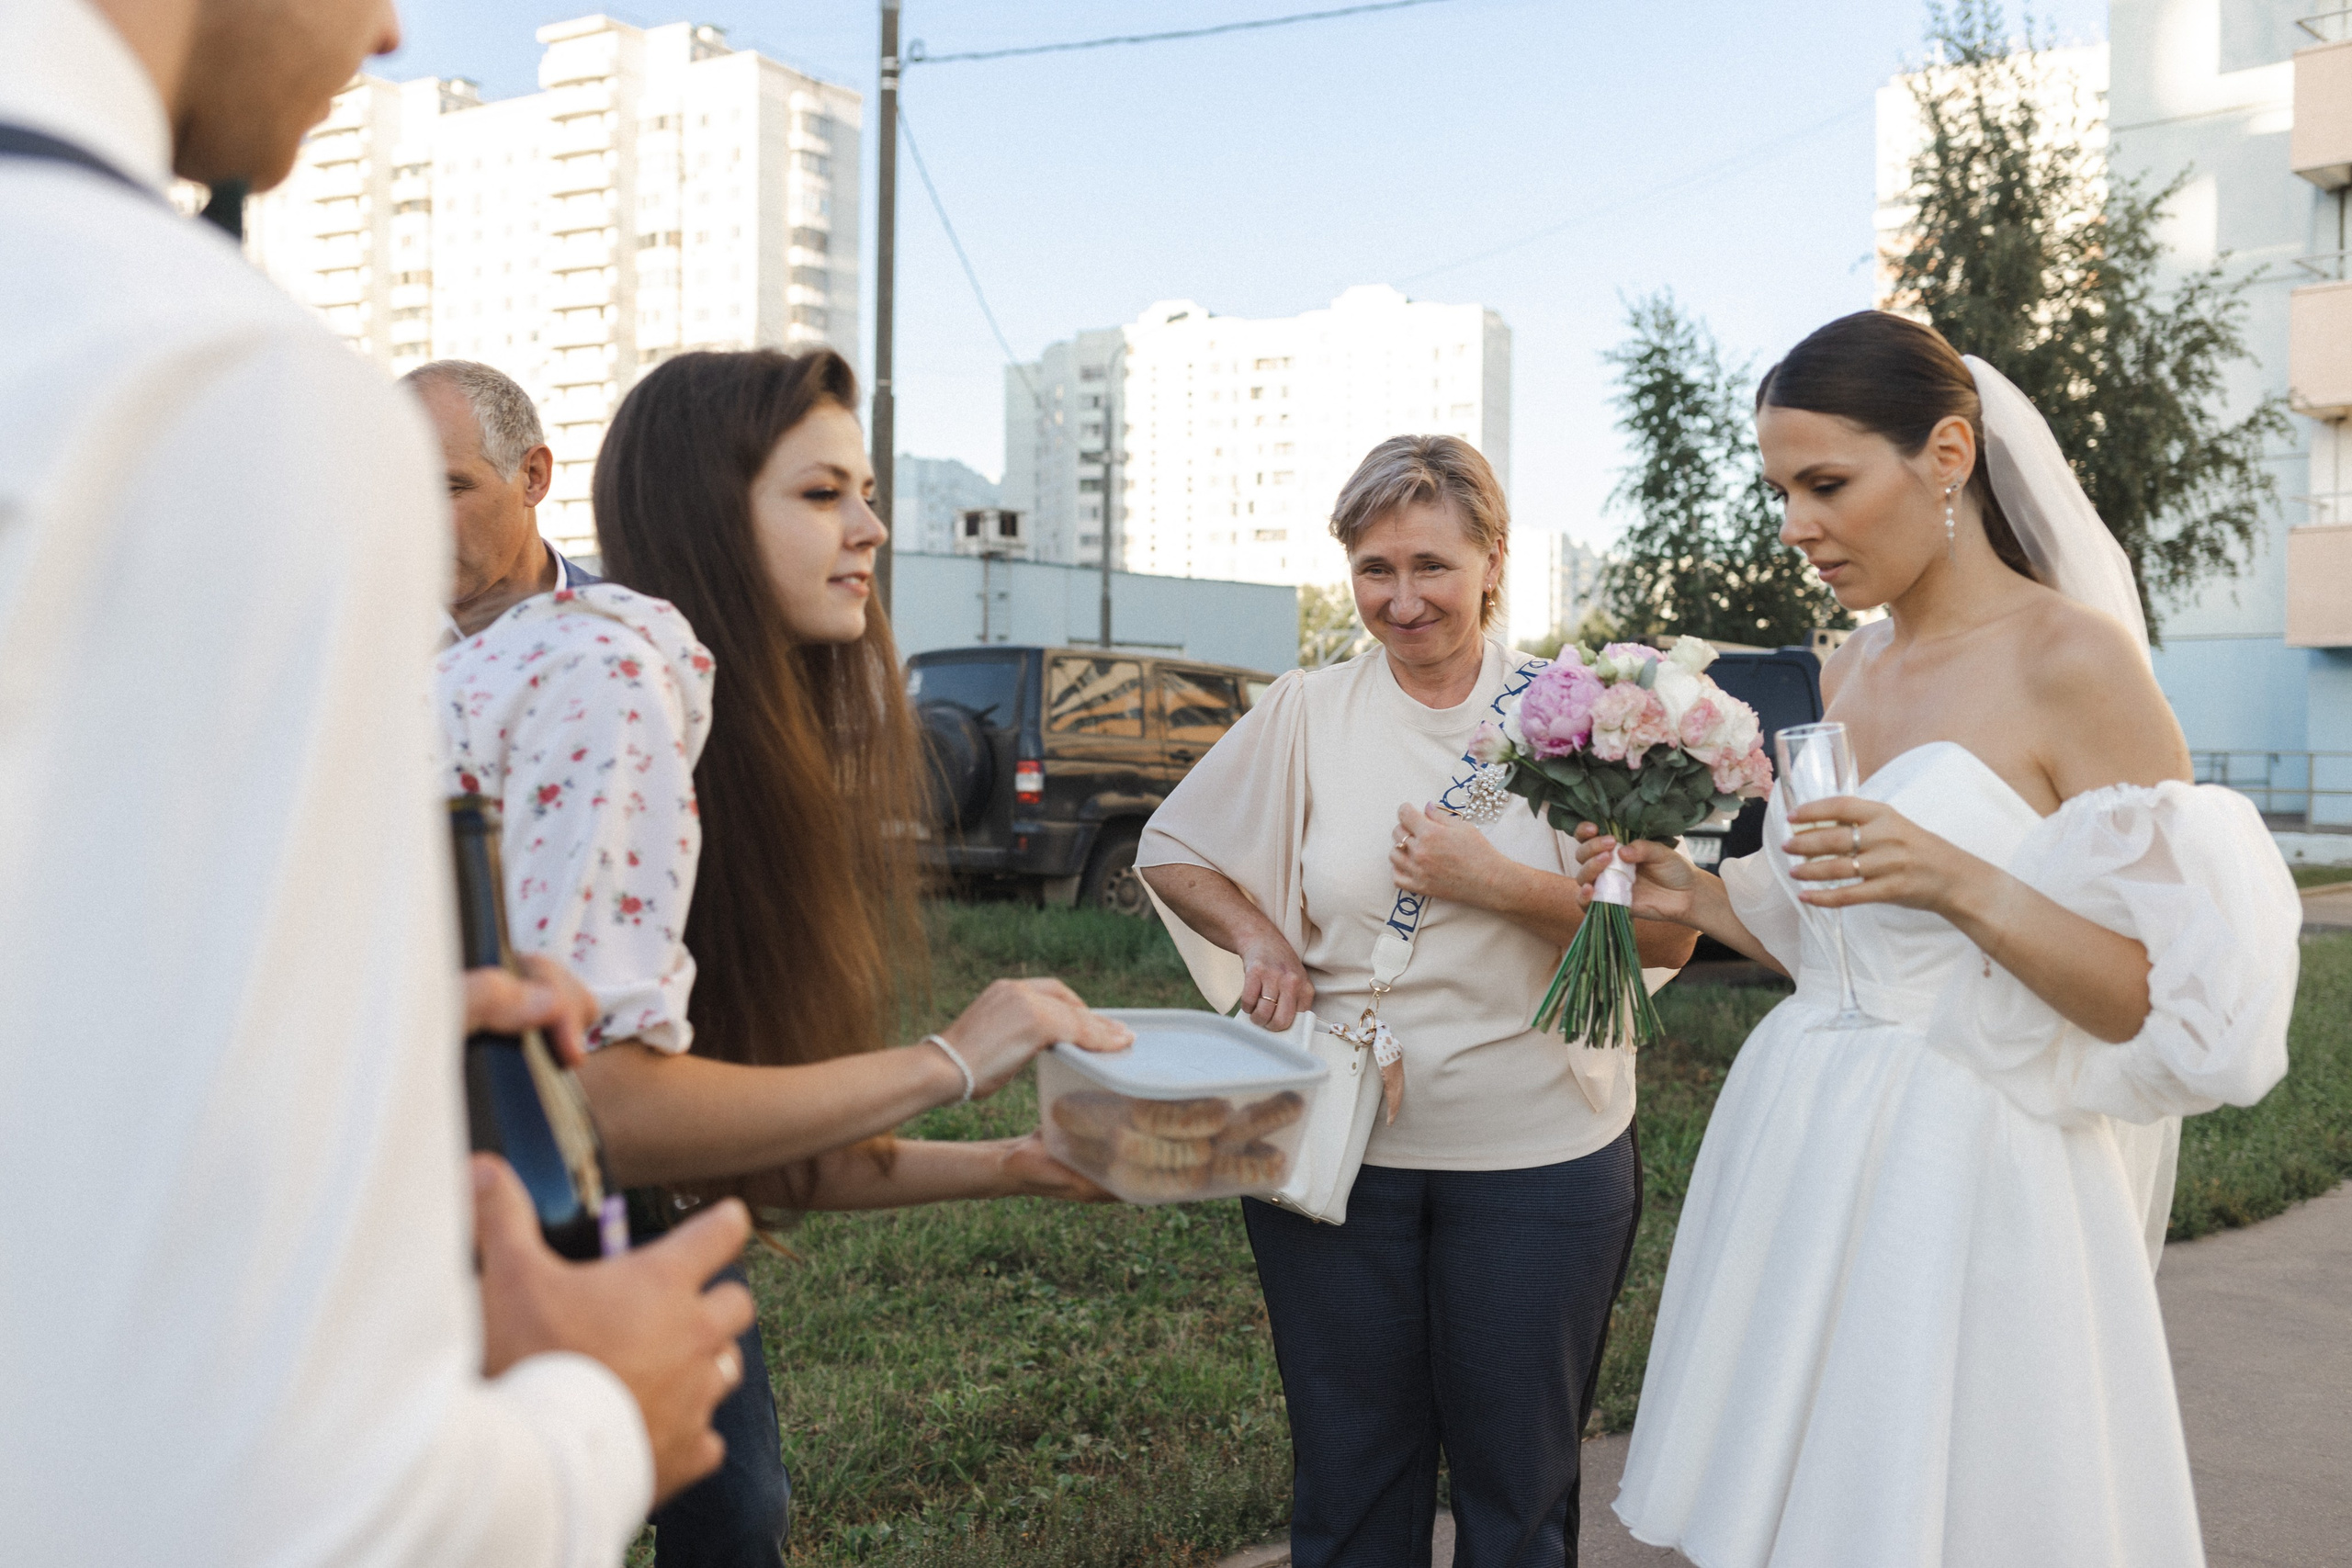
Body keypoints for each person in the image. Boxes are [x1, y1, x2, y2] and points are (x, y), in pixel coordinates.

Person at [0, 0, 768, 1562]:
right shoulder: (213, 384)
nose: (392, 28)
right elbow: (287, 1490)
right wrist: (595, 1424)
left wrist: (364, 1013)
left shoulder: (596, 644)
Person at [1590, 311, 2300, 1567]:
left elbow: (2164, 1006)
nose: (1797, 523)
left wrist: (1968, 882)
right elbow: (1849, 938)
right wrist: (1704, 900)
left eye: (1827, 483)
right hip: (1809, 1137)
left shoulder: (2075, 662)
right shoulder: (1854, 667)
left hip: (1974, 1164)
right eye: (1780, 489)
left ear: (1949, 454)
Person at [434, 344, 1132, 1565]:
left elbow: (742, 1146)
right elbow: (603, 1103)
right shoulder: (612, 665)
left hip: (568, 1213)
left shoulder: (699, 714)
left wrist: (1022, 1161)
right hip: (470, 1238)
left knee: (734, 1502)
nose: (868, 527)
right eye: (821, 494)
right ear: (712, 509)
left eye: (862, 492)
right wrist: (949, 1059)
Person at [1136, 435, 1698, 1567]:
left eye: (1431, 567)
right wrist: (1262, 938)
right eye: (1373, 569)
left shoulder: (1582, 716)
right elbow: (1174, 848)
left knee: (1517, 1488)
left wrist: (1493, 882)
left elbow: (1670, 930)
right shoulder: (1306, 708)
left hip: (1541, 1154)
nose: (1400, 602)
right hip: (1343, 1152)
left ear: (1493, 561)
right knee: (1349, 1479)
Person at [401, 358, 599, 639]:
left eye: (448, 490)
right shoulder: (352, 653)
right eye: (397, 499)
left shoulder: (631, 632)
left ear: (533, 476)